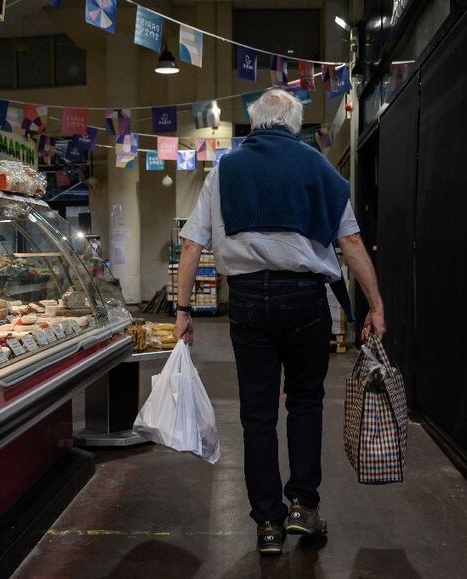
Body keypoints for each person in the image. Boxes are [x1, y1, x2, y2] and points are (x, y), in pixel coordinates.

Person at [174, 89, 386, 555]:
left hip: (247, 301)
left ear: (254, 123)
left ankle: (268, 524)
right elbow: (350, 243)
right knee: (306, 403)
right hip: (305, 300)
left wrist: (184, 311)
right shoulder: (318, 167)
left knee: (257, 413)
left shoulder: (224, 170)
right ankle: (303, 510)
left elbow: (192, 245)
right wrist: (375, 305)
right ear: (295, 123)